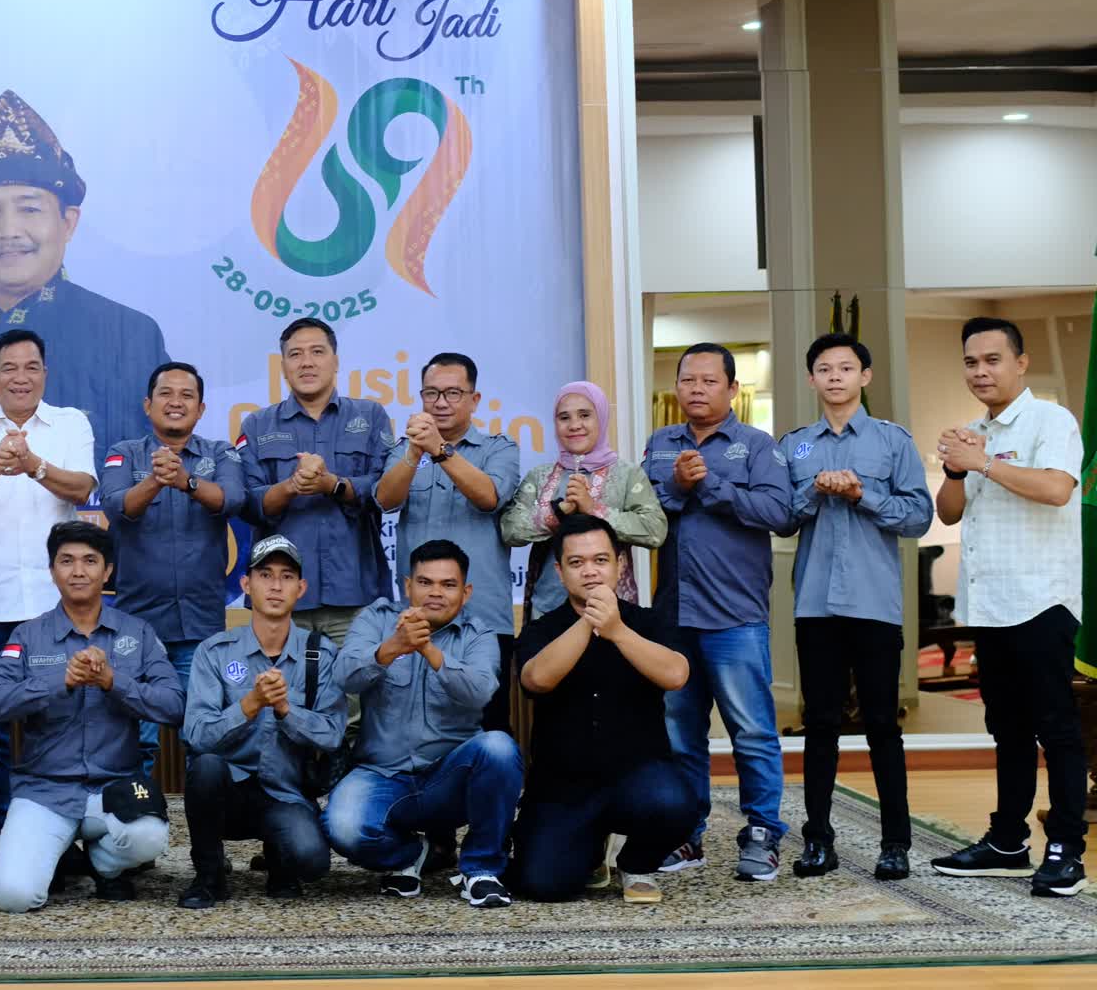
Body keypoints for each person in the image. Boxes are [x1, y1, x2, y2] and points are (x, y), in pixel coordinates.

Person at [0, 88, 168, 453]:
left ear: (68, 222)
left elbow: (147, 454)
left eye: (29, 209)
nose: (8, 231)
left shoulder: (127, 333)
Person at [927, 317, 1086, 897]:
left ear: (1021, 362)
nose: (980, 371)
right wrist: (954, 468)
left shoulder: (1052, 420)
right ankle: (1007, 842)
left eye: (992, 360)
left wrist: (983, 463)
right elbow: (949, 512)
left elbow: (1056, 490)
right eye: (971, 362)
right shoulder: (971, 432)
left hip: (1041, 600)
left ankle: (1066, 850)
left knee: (1056, 729)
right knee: (1008, 729)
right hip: (989, 605)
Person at [0, 329, 98, 876]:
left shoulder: (71, 423)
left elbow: (82, 489)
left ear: (45, 374)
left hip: (55, 606)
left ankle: (63, 833)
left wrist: (34, 464)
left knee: (57, 721)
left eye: (32, 367)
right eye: (9, 368)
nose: (21, 377)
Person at [778, 335, 932, 882]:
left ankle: (895, 844)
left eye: (846, 368)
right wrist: (815, 493)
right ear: (812, 379)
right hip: (815, 604)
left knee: (882, 724)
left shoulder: (893, 441)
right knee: (820, 723)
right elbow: (781, 518)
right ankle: (818, 840)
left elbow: (919, 517)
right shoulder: (795, 446)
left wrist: (862, 494)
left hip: (874, 604)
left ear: (865, 376)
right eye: (824, 369)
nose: (835, 377)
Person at [642, 342, 793, 881]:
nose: (697, 389)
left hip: (735, 615)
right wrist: (678, 485)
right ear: (677, 387)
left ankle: (763, 832)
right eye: (688, 380)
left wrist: (711, 485)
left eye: (709, 381)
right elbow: (643, 514)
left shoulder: (757, 446)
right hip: (673, 616)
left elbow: (780, 513)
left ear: (732, 389)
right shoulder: (661, 443)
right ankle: (687, 833)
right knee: (681, 734)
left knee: (751, 731)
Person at [0, 522, 184, 911]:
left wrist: (113, 682)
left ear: (107, 571)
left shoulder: (137, 634)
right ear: (52, 571)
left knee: (149, 837)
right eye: (66, 561)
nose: (78, 571)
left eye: (90, 561)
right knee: (14, 896)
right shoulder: (28, 635)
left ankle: (102, 865)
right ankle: (57, 853)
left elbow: (174, 706)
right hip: (45, 791)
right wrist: (60, 681)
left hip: (114, 788)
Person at [509, 516, 699, 904]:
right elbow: (536, 680)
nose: (590, 571)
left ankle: (636, 863)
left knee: (677, 803)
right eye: (576, 563)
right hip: (563, 786)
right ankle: (591, 849)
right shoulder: (543, 628)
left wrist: (617, 631)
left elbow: (676, 674)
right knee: (543, 885)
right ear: (559, 572)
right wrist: (590, 621)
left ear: (619, 564)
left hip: (637, 777)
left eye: (600, 560)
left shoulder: (647, 622)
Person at [324, 540, 523, 908]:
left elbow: (480, 692)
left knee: (498, 748)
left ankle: (481, 869)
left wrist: (428, 649)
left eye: (448, 585)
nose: (435, 593)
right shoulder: (376, 619)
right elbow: (344, 676)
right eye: (425, 582)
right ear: (407, 586)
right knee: (344, 827)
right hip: (382, 774)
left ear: (466, 593)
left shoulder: (478, 634)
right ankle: (411, 855)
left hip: (451, 780)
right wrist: (392, 647)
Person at [178, 535, 343, 908]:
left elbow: (333, 735)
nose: (275, 586)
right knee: (205, 767)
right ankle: (209, 876)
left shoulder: (320, 654)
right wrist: (249, 704)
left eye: (287, 577)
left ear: (301, 588)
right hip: (227, 792)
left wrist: (285, 710)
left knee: (312, 863)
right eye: (265, 575)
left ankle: (278, 857)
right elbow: (197, 735)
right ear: (246, 585)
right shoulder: (214, 652)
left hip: (285, 791)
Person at [98, 361, 245, 774]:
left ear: (201, 409)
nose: (175, 402)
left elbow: (233, 499)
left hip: (201, 625)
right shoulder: (123, 453)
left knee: (204, 739)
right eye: (166, 393)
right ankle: (137, 811)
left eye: (187, 395)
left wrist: (187, 482)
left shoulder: (221, 453)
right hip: (137, 626)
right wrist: (155, 481)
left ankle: (205, 817)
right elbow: (116, 506)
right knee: (136, 742)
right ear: (148, 405)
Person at [376, 353, 521, 730]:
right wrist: (415, 452)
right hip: (418, 620)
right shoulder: (404, 448)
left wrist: (440, 450)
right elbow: (385, 500)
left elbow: (489, 496)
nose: (441, 402)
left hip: (483, 619)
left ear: (474, 399)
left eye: (453, 393)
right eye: (432, 393)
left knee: (488, 729)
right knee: (415, 727)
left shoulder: (498, 448)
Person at [238, 318, 395, 667]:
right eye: (295, 354)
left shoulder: (371, 416)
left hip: (354, 594)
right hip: (280, 600)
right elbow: (247, 502)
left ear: (335, 361)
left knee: (355, 692)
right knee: (280, 694)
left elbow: (386, 491)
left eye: (317, 352)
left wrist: (334, 485)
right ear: (283, 366)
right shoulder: (257, 424)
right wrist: (291, 486)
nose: (306, 362)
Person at [501, 380, 667, 620]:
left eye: (585, 415)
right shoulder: (540, 476)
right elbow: (509, 529)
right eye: (564, 417)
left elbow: (655, 530)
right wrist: (557, 513)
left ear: (601, 417)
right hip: (548, 610)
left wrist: (594, 509)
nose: (574, 425)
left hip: (611, 613)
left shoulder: (627, 475)